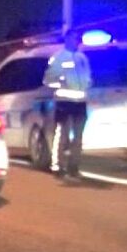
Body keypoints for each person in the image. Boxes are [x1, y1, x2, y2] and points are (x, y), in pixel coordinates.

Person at [43, 31, 93, 179]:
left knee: (78, 137)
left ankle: (74, 167)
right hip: (64, 102)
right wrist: (62, 82)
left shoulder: (82, 58)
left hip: (80, 102)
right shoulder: (58, 57)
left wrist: (88, 83)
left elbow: (88, 77)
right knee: (62, 134)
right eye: (73, 38)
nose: (76, 41)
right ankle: (58, 166)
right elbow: (47, 80)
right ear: (66, 40)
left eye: (77, 39)